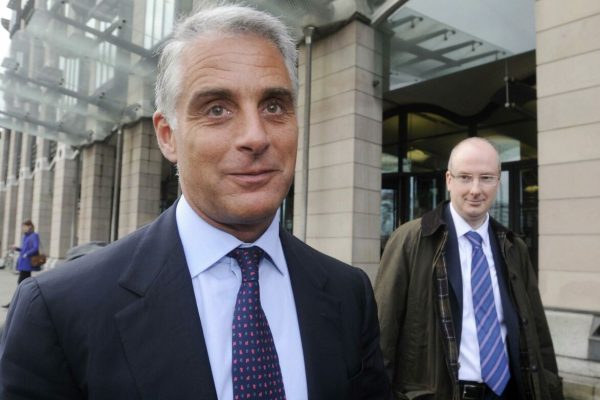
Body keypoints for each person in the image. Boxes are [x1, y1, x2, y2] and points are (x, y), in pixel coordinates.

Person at [0, 4, 390, 399]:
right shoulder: (58, 309)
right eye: (217, 109)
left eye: (274, 106)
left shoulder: (348, 293)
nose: (255, 137)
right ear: (167, 135)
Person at [375, 137, 563, 400]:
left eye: (486, 178)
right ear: (449, 180)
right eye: (465, 177)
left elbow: (538, 335)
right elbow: (382, 334)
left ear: (498, 181)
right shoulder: (410, 240)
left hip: (508, 392)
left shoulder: (513, 246)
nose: (476, 189)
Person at [2, 220, 40, 309]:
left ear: (30, 226)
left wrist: (27, 254)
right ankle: (21, 303)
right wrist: (17, 248)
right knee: (24, 284)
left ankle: (16, 303)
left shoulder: (34, 235)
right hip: (22, 262)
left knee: (21, 283)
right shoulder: (25, 236)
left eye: (24, 226)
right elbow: (24, 249)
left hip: (27, 263)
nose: (23, 228)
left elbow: (35, 247)